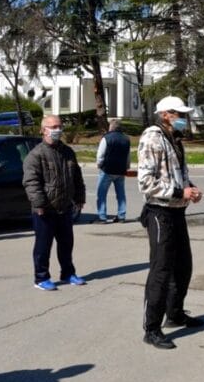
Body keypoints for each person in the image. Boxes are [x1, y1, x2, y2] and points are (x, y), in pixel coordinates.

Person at [138, 96, 204, 350]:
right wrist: (180, 192)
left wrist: (190, 188)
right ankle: (152, 328)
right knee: (161, 270)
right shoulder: (152, 137)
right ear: (165, 114)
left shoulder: (174, 138)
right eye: (179, 114)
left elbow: (176, 175)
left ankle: (175, 313)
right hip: (160, 212)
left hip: (177, 211)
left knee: (183, 267)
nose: (183, 118)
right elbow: (146, 182)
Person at [22, 115, 86, 291]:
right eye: (53, 127)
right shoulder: (36, 155)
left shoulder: (67, 152)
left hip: (64, 207)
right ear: (43, 130)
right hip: (45, 210)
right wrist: (39, 204)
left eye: (59, 126)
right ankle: (41, 277)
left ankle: (68, 273)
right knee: (43, 246)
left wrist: (79, 197)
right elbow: (31, 182)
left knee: (66, 244)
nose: (58, 130)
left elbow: (77, 177)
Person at [96, 119, 131, 223]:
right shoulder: (126, 139)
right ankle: (121, 216)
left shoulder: (106, 138)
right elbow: (128, 155)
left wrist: (99, 164)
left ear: (111, 127)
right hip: (120, 170)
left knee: (101, 194)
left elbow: (100, 154)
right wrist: (127, 166)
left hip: (107, 169)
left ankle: (102, 217)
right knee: (121, 194)